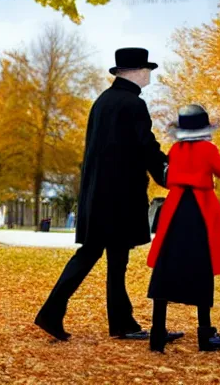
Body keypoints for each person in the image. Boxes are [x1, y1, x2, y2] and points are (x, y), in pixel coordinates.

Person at [35, 48, 183, 344]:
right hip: (120, 198)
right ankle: (109, 321)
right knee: (111, 259)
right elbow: (146, 147)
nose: (149, 74)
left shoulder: (102, 102)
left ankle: (114, 321)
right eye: (147, 69)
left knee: (99, 256)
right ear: (135, 72)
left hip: (99, 195)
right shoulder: (132, 104)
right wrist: (169, 173)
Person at [146, 104, 220, 353]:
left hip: (174, 210)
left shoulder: (176, 149)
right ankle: (205, 334)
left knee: (165, 268)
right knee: (201, 268)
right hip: (199, 211)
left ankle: (157, 333)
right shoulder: (208, 149)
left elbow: (168, 177)